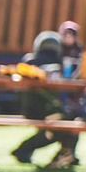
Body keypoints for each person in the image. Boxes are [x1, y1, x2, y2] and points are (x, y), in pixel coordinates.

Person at [10, 29, 71, 165]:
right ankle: (67, 153)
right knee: (69, 123)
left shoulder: (27, 62)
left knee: (66, 125)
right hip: (49, 112)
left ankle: (66, 153)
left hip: (28, 110)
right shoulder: (57, 66)